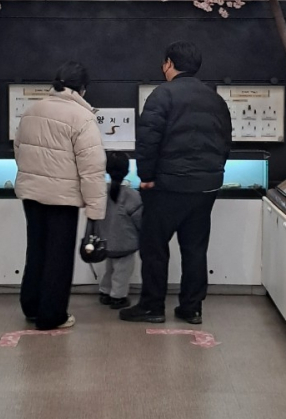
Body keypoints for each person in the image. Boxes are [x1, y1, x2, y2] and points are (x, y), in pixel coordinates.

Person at [119, 41, 232, 325]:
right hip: (205, 186)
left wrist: (146, 177)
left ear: (169, 63)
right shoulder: (215, 99)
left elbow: (148, 140)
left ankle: (152, 306)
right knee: (195, 248)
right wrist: (213, 173)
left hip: (168, 186)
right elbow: (225, 141)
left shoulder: (162, 95)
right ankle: (192, 308)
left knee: (155, 247)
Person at [14, 61, 107, 330]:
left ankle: (31, 306)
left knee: (36, 250)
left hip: (32, 195)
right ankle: (51, 315)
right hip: (62, 198)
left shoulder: (32, 110)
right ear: (83, 89)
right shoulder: (82, 117)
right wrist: (95, 210)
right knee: (59, 256)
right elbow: (92, 169)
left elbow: (18, 150)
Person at [90, 152, 143, 310]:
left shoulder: (100, 193)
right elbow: (140, 221)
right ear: (127, 171)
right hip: (125, 243)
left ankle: (105, 292)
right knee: (122, 272)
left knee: (109, 269)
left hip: (105, 242)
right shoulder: (132, 195)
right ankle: (118, 297)